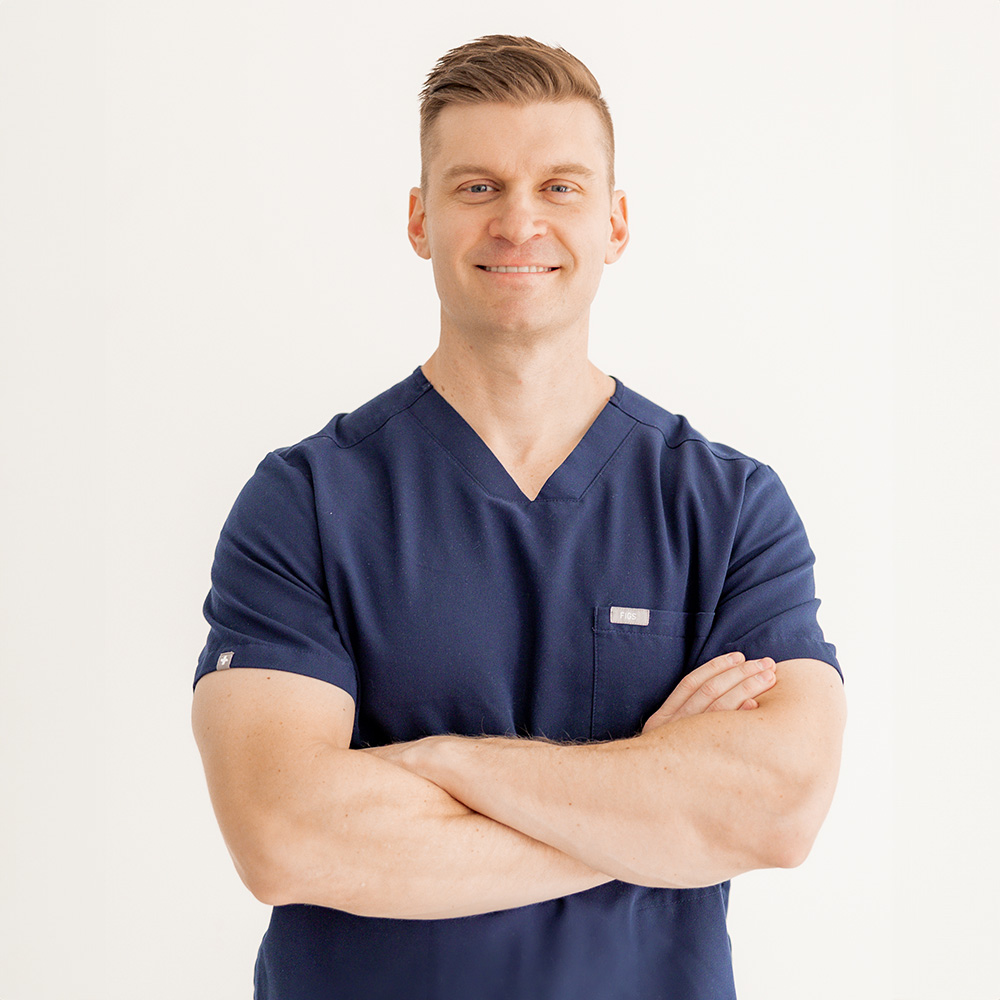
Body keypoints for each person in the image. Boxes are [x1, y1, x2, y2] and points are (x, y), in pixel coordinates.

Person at [192, 34, 846, 1000]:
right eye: (478, 187)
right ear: (419, 219)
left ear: (616, 222)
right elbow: (286, 838)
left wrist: (440, 764)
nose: (520, 221)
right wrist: (655, 807)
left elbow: (775, 814)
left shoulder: (728, 507)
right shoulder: (306, 503)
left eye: (561, 187)